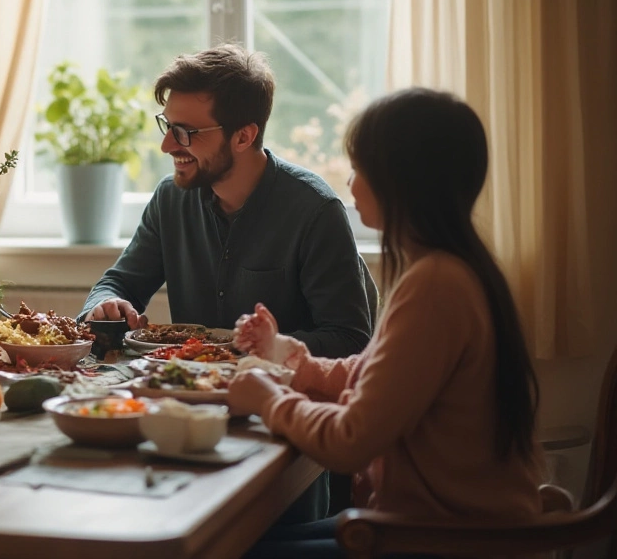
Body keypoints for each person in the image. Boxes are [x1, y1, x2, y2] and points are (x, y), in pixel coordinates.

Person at [229, 88, 543, 558]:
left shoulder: (437, 284)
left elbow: (351, 441)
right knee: (236, 540)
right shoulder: (451, 269)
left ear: (402, 181)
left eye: (360, 169)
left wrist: (268, 396)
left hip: (444, 540)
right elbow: (379, 376)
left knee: (223, 547)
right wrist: (293, 361)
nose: (351, 184)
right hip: (432, 526)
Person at [81, 45, 375, 360]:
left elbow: (349, 340)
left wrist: (262, 348)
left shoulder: (315, 211)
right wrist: (106, 304)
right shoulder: (171, 199)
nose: (167, 145)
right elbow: (120, 283)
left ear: (243, 137)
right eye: (168, 126)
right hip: (186, 396)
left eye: (185, 132)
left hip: (280, 397)